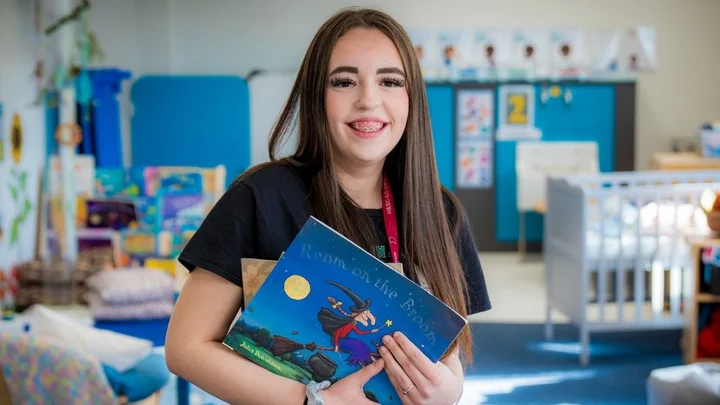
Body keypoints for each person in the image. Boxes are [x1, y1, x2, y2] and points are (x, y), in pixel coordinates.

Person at [165, 7, 491, 405]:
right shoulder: (262, 195)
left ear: (412, 99)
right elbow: (185, 348)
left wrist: (448, 390)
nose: (368, 100)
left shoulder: (440, 211)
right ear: (317, 95)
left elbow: (449, 357)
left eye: (390, 81)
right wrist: (314, 401)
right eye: (344, 82)